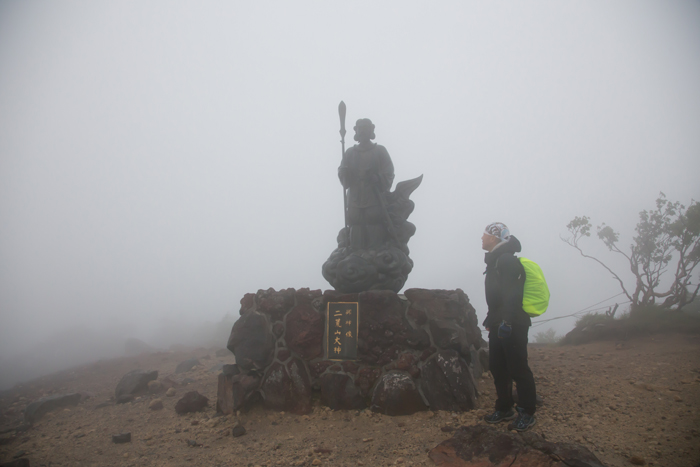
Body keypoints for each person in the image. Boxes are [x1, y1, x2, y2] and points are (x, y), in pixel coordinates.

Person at [481, 222, 537, 431]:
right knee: (497, 367)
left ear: (494, 238)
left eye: (484, 235)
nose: (482, 238)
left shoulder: (506, 260)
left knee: (518, 368)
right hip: (500, 321)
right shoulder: (496, 260)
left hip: (512, 322)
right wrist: (491, 319)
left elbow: (513, 294)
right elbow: (497, 295)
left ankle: (527, 412)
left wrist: (507, 322)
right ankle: (504, 408)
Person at [338, 118, 394, 249]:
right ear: (356, 131)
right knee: (355, 221)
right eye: (360, 128)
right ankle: (356, 256)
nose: (363, 131)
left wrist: (378, 178)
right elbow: (342, 173)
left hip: (373, 195)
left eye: (366, 128)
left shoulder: (380, 151)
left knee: (373, 220)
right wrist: (344, 174)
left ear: (371, 130)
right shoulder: (350, 153)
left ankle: (375, 256)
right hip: (355, 196)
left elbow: (389, 171)